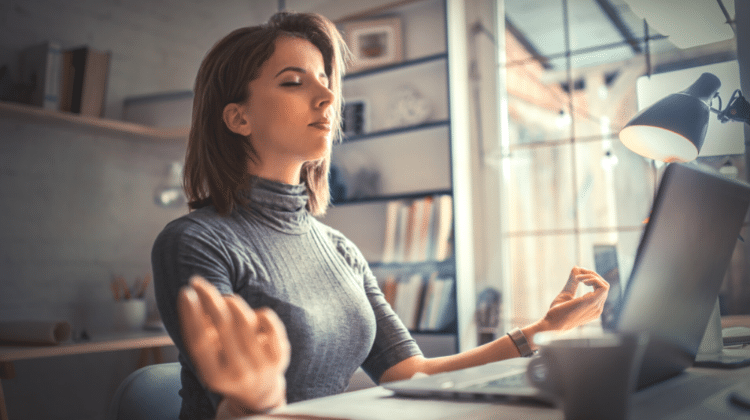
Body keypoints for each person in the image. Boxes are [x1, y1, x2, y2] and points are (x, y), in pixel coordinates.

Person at [151, 11, 610, 420]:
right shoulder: (196, 241)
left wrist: (542, 331)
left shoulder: (340, 251)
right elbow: (233, 407)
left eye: (325, 79)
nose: (328, 96)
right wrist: (260, 395)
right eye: (294, 82)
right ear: (238, 118)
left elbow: (413, 373)